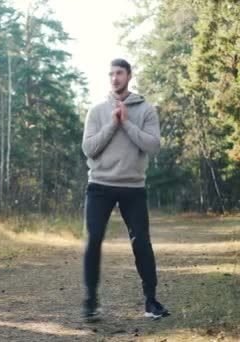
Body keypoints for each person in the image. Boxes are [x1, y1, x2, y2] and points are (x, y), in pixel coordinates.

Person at [81, 58, 170, 320]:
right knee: (93, 240)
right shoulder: (96, 111)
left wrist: (127, 123)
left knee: (141, 242)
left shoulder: (146, 110)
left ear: (129, 75)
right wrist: (112, 123)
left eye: (119, 73)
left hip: (133, 186)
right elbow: (89, 148)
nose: (114, 78)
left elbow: (153, 146)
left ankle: (151, 301)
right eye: (110, 74)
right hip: (100, 185)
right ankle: (91, 301)